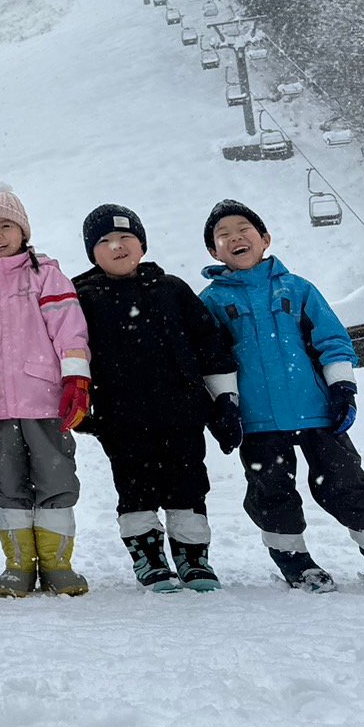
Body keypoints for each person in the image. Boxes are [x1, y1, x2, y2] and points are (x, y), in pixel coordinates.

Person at [200, 199, 364, 594]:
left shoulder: (297, 289)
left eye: (244, 229)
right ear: (215, 252)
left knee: (347, 483)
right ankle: (296, 564)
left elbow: (333, 340)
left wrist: (342, 388)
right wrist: (225, 405)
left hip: (316, 412)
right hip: (258, 421)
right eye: (223, 235)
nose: (235, 237)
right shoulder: (211, 301)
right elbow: (212, 359)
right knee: (272, 493)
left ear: (265, 239)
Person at [72, 204, 239, 592]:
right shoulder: (83, 298)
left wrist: (224, 400)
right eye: (105, 241)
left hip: (183, 413)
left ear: (142, 245)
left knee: (189, 486)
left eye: (125, 237)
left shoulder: (171, 289)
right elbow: (70, 352)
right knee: (135, 489)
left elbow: (209, 344)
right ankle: (149, 559)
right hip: (120, 418)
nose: (117, 246)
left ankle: (193, 558)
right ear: (92, 254)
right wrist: (79, 407)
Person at [0, 182, 92, 597]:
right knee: (6, 483)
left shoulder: (46, 275)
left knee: (56, 479)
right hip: (1, 408)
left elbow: (69, 329)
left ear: (23, 231)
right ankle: (18, 564)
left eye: (6, 225)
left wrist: (76, 378)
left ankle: (57, 565)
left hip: (45, 402)